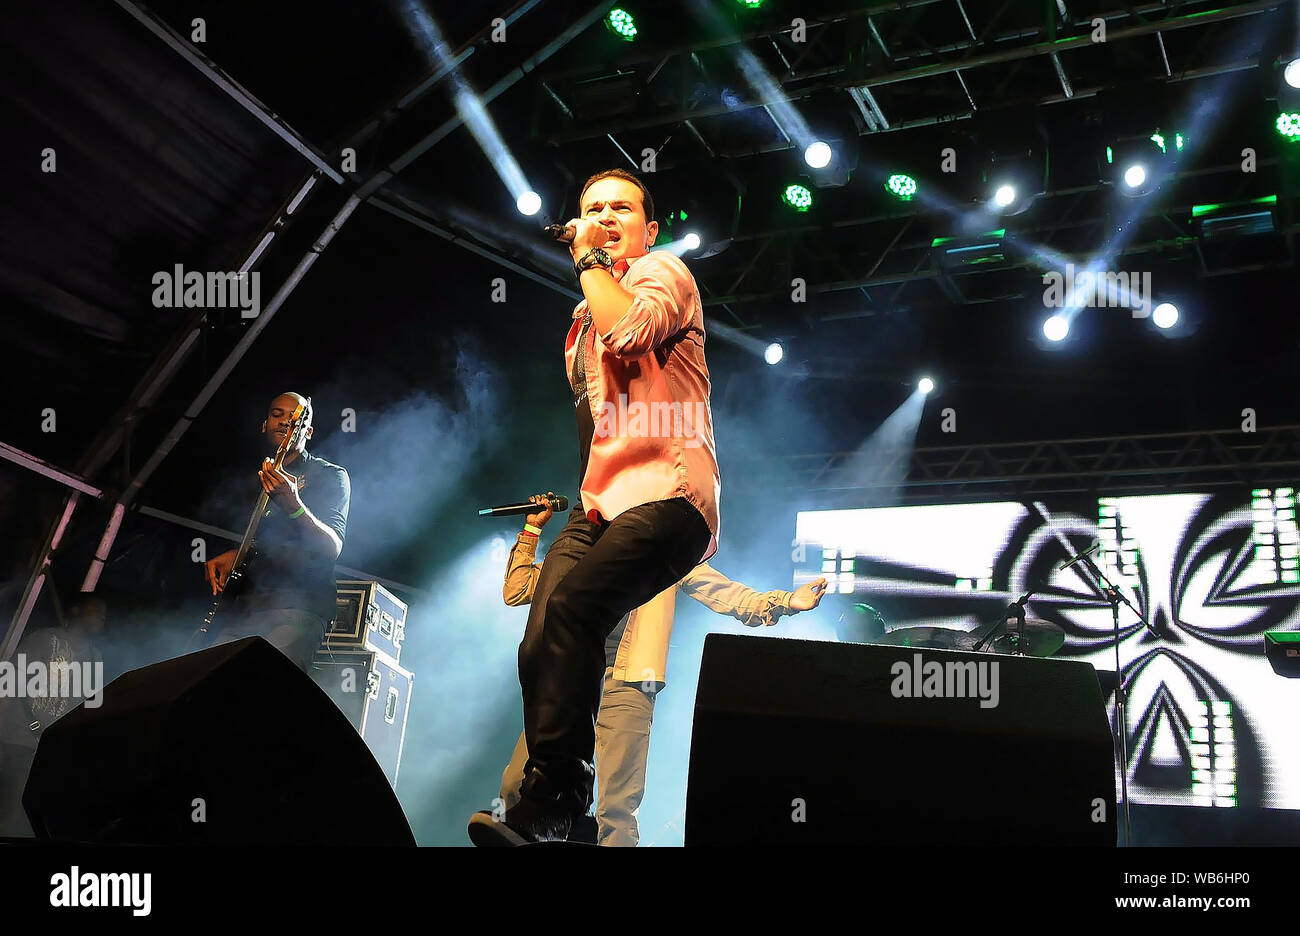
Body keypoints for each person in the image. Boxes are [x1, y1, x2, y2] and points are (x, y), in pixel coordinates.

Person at [469, 169, 721, 846]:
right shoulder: (581, 319)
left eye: (621, 209)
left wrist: (587, 260)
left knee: (577, 609)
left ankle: (557, 796)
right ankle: (551, 807)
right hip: (601, 503)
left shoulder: (665, 274)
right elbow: (597, 420)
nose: (606, 218)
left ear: (650, 228)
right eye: (592, 209)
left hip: (669, 493)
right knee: (539, 640)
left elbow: (631, 335)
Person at [496, 493, 828, 845]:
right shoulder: (580, 549)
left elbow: (726, 594)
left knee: (617, 810)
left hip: (629, 682)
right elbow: (517, 590)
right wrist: (532, 530)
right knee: (516, 784)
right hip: (569, 681)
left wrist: (785, 602)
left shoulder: (661, 549)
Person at [202, 392, 349, 672]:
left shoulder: (329, 475)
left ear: (308, 430)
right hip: (244, 607)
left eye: (295, 419)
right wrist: (240, 553)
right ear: (264, 424)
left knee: (267, 694)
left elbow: (332, 548)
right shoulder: (256, 478)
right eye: (277, 414)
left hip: (297, 607)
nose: (284, 422)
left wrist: (294, 506)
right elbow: (268, 543)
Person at [0, 594, 107, 836]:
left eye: (103, 614)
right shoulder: (44, 640)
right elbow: (7, 683)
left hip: (51, 752)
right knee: (10, 812)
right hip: (19, 740)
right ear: (76, 610)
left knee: (31, 819)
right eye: (95, 609)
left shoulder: (95, 657)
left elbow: (90, 707)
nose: (101, 616)